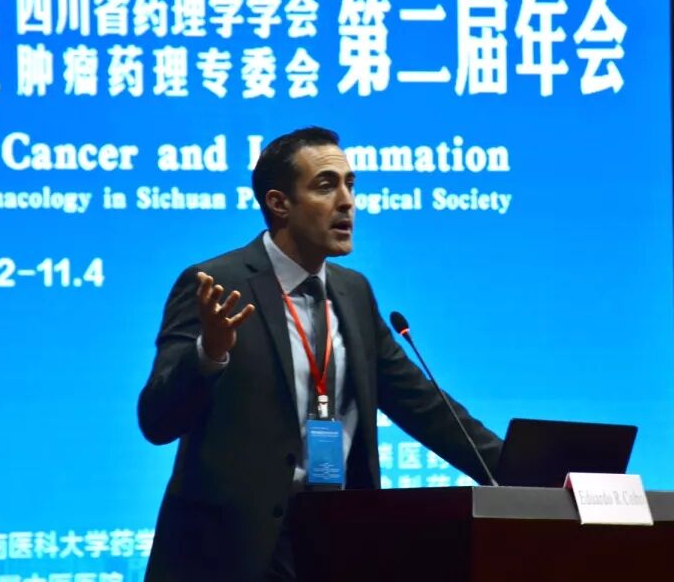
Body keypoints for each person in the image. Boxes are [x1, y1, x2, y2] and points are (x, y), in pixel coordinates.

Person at [137, 127, 503, 582]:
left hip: (332, 542)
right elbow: (156, 419)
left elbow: (426, 408)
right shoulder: (215, 284)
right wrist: (208, 354)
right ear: (279, 204)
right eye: (326, 186)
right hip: (229, 554)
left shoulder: (353, 292)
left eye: (350, 185)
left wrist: (529, 474)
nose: (347, 201)